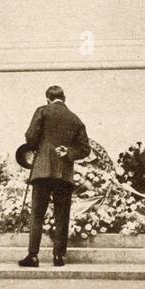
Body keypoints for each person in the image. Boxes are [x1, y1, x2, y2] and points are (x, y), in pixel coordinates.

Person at [18, 85, 91, 268]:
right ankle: (59, 256)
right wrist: (68, 152)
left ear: (48, 98)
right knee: (62, 215)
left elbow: (31, 138)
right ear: (64, 98)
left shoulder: (42, 111)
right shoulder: (75, 119)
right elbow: (85, 149)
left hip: (42, 171)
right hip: (64, 172)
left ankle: (33, 256)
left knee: (37, 214)